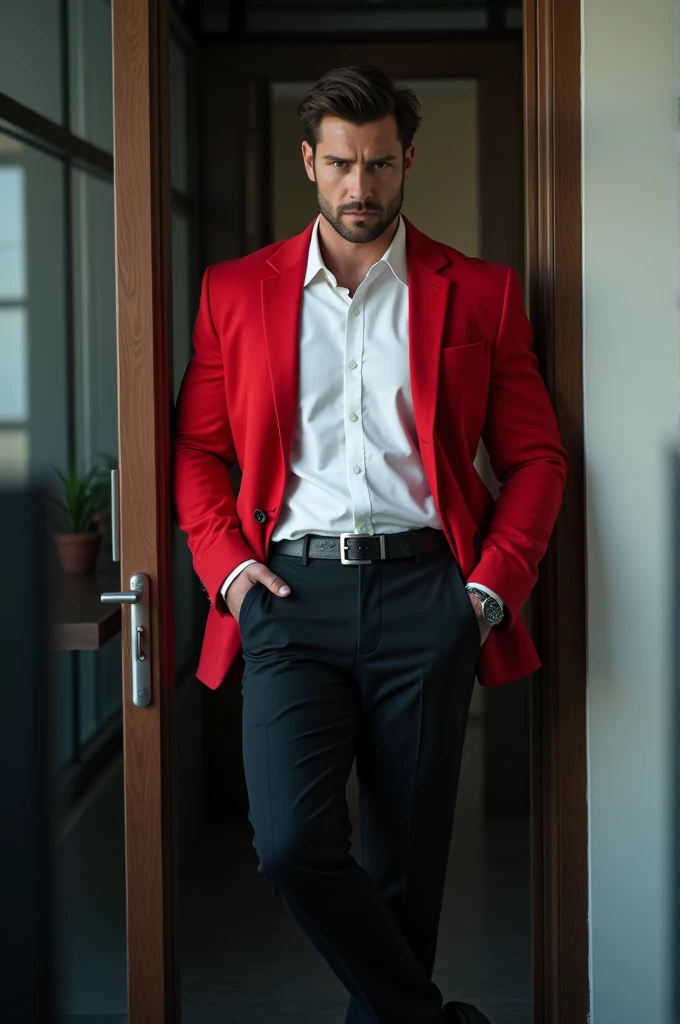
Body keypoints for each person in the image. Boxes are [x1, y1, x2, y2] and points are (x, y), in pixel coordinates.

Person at [173, 65, 569, 1024]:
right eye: (342, 165)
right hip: (288, 598)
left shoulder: (478, 292)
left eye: (381, 164)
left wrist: (484, 595)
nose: (362, 189)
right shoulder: (234, 292)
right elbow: (198, 449)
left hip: (429, 598)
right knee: (290, 843)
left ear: (407, 162)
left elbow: (538, 459)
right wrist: (228, 574)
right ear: (309, 162)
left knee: (405, 872)